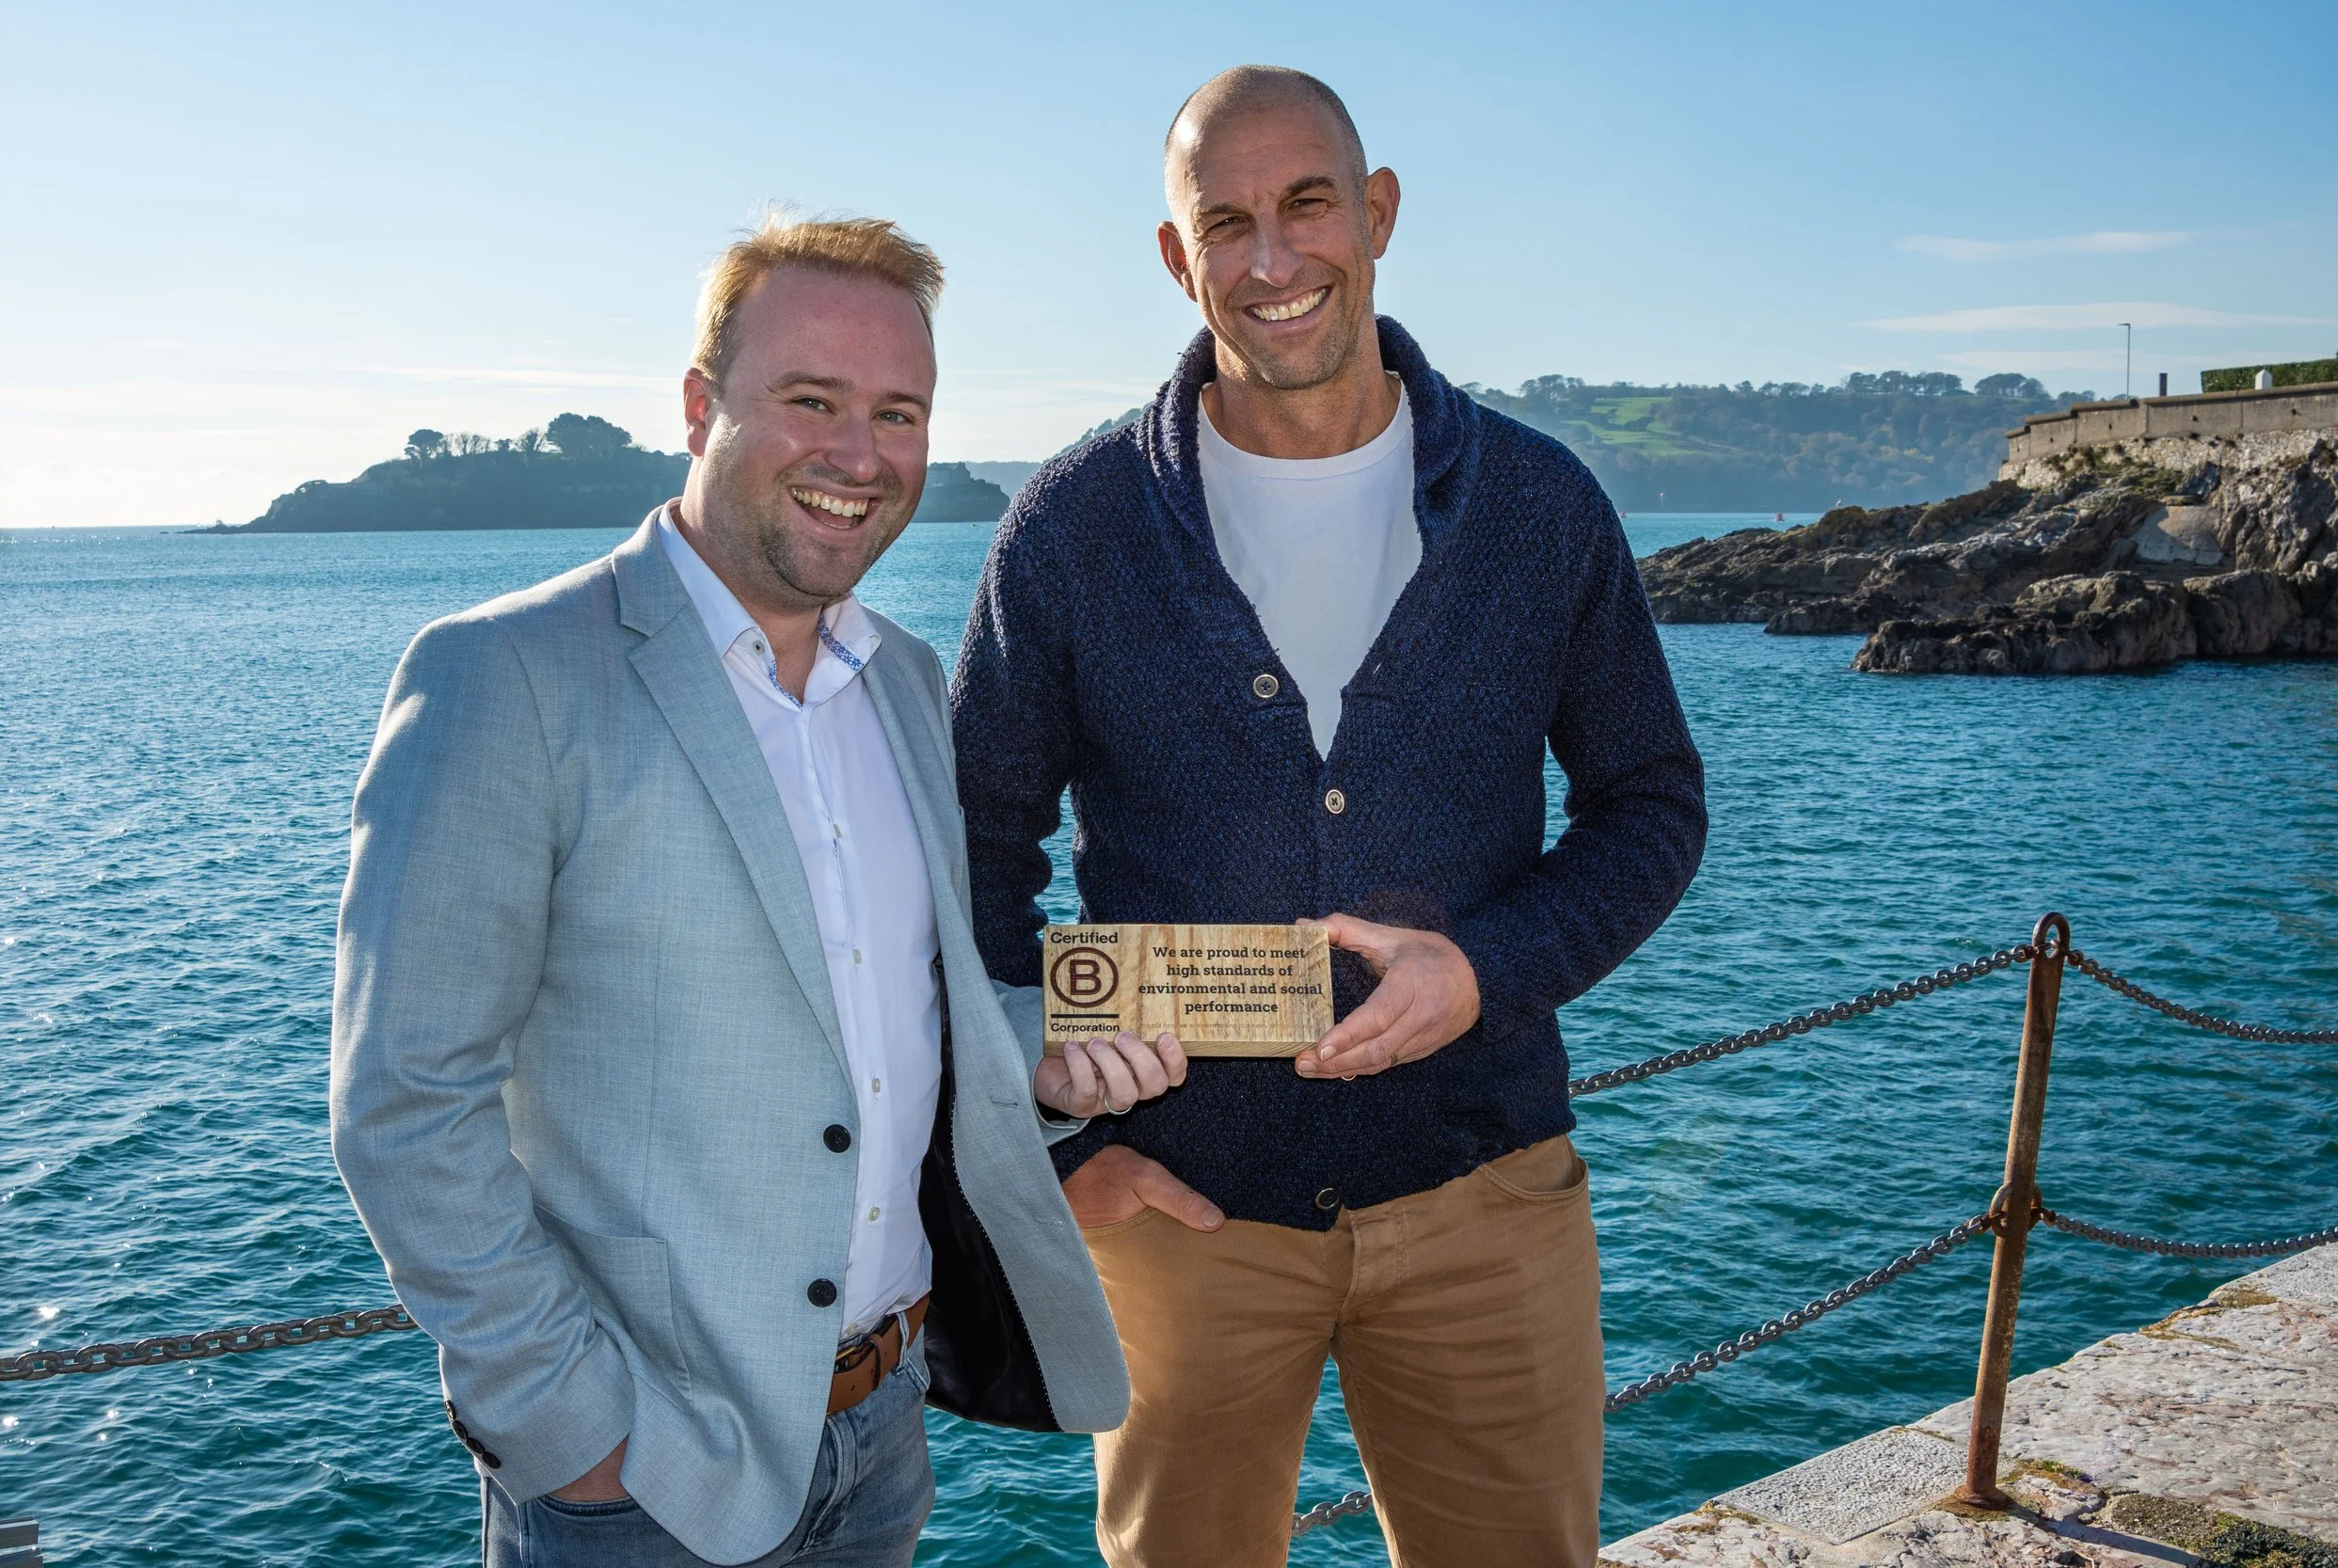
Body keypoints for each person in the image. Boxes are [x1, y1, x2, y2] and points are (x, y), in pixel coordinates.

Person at [331, 214, 1181, 1568]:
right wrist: (575, 1433)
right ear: (694, 406)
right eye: (811, 401)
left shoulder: (904, 680)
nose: (859, 456)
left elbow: (896, 1022)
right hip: (643, 1480)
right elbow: (402, 1102)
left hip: (886, 1436)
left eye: (898, 413)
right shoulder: (508, 676)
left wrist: (1054, 1063)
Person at [950, 68, 1708, 1568]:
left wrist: (1483, 969)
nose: (1273, 258)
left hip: (1488, 1192)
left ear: (1377, 215)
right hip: (1178, 1221)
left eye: (1307, 206)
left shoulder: (1539, 507)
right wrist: (1054, 1151)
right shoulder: (1074, 525)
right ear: (1179, 258)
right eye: (1224, 221)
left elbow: (1651, 807)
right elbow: (968, 857)